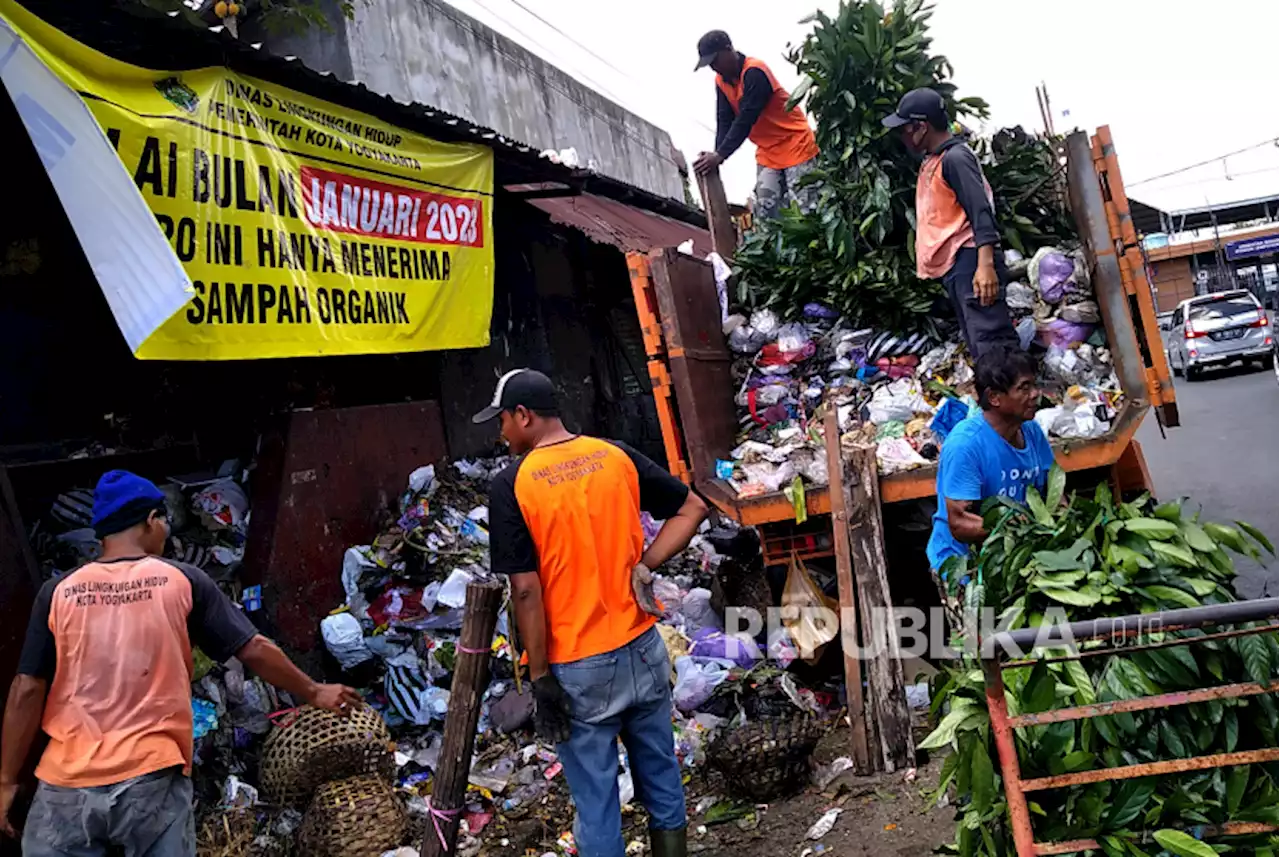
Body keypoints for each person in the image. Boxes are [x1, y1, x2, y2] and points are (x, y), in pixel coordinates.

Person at [0, 470, 360, 856]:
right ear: (151, 520)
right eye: (164, 521)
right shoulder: (181, 580)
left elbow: (27, 688)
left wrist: (6, 779)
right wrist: (313, 690)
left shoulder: (58, 592)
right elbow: (253, 647)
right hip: (151, 780)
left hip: (65, 787)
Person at [474, 369, 708, 857]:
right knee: (662, 774)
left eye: (503, 421)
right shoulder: (615, 455)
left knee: (597, 804)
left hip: (579, 665)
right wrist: (645, 564)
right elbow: (691, 509)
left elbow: (525, 590)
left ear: (524, 416)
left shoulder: (513, 484)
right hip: (644, 648)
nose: (501, 433)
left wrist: (540, 677)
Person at [883, 87, 1020, 358]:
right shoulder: (936, 160)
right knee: (978, 339)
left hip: (971, 261)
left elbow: (980, 211)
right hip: (958, 267)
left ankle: (1013, 395)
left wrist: (985, 265)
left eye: (905, 129)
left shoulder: (956, 158)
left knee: (991, 341)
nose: (903, 137)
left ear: (921, 127)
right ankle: (997, 396)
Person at [926, 348, 1055, 618]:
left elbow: (1054, 491)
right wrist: (1019, 530)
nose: (1035, 395)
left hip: (1014, 557)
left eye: (1034, 385)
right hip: (966, 567)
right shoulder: (966, 446)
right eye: (1024, 388)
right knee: (986, 644)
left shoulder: (1031, 431)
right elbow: (960, 523)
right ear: (994, 397)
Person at [691, 29, 821, 223]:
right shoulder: (721, 81)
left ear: (729, 49)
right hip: (768, 153)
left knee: (806, 211)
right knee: (766, 213)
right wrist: (716, 153)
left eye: (715, 61)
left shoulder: (755, 72)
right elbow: (724, 119)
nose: (714, 68)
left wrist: (720, 156)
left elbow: (746, 118)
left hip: (796, 144)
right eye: (710, 65)